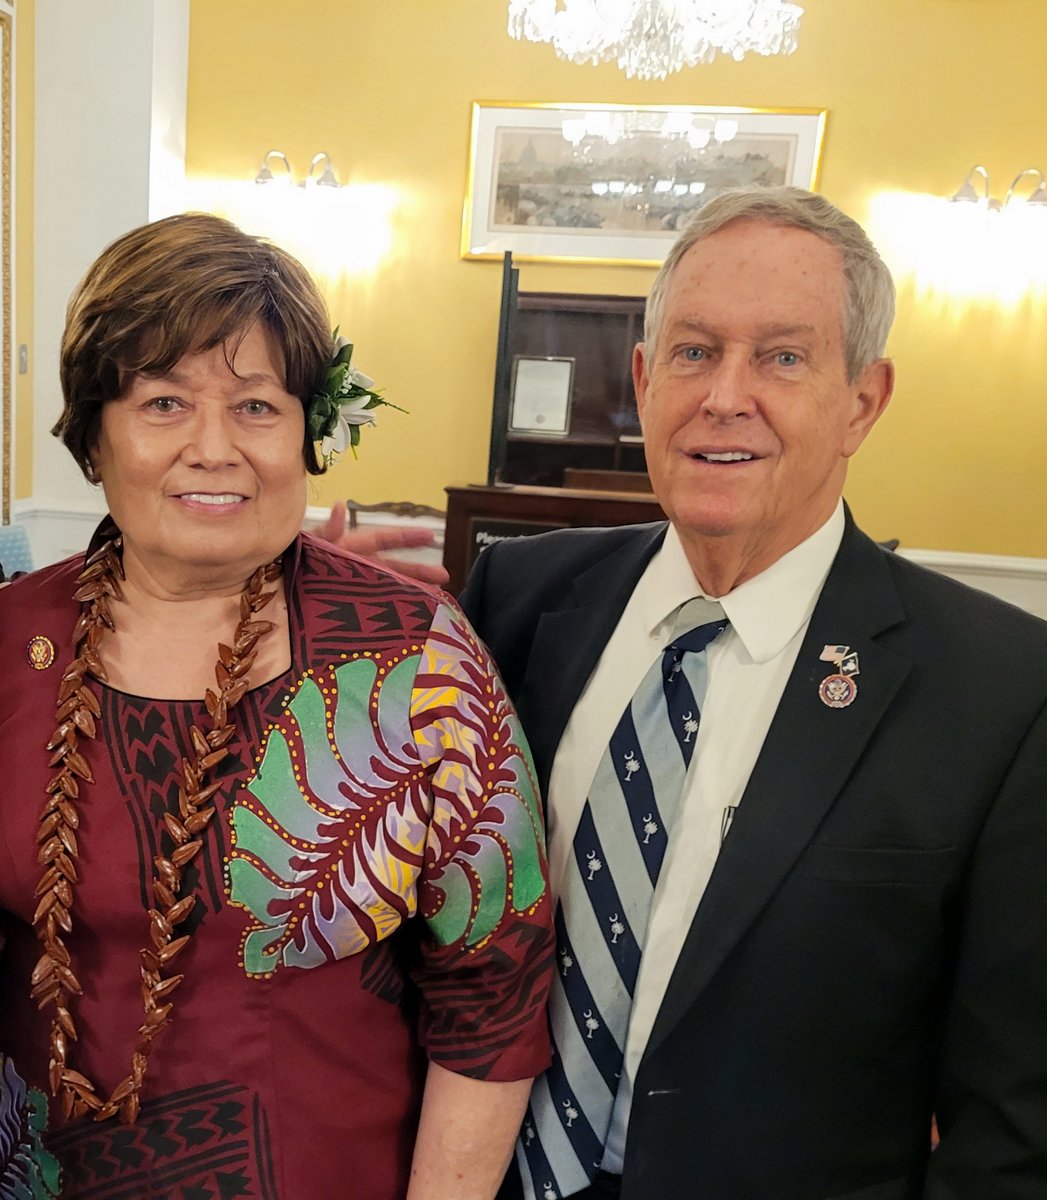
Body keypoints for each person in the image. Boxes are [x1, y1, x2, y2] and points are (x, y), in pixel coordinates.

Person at [458, 187, 1047, 1199]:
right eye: (693, 352)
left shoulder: (1001, 691)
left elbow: (1013, 1122)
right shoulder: (517, 599)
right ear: (643, 380)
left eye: (782, 357)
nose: (724, 396)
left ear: (863, 400)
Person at [0, 212, 554, 1200]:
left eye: (256, 407)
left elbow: (496, 994)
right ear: (96, 432)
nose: (214, 450)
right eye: (163, 403)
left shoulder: (414, 658)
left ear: (310, 431)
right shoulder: (8, 647)